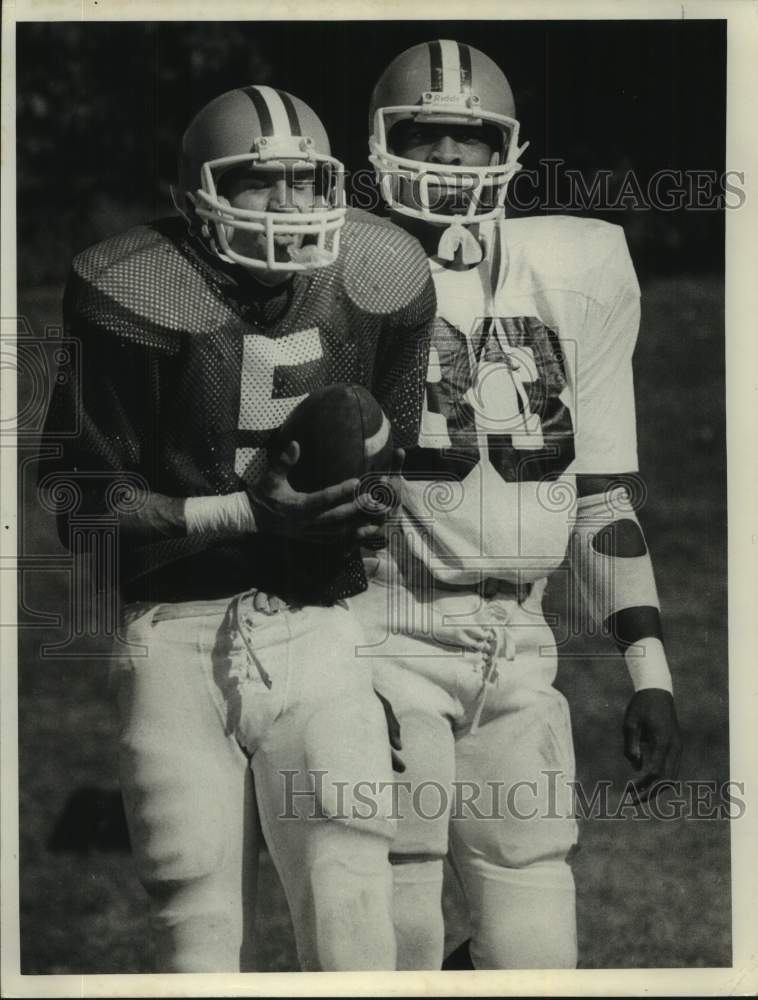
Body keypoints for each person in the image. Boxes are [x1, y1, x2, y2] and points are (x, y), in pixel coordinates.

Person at [41, 84, 435, 972]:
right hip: (176, 632)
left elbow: (386, 456)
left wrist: (368, 523)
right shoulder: (132, 286)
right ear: (192, 196)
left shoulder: (382, 273)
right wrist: (244, 512)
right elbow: (78, 504)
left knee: (352, 907)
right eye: (260, 184)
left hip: (319, 625)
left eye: (306, 183)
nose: (290, 209)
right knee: (199, 923)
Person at [350, 39, 683, 970]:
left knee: (536, 950)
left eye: (469, 137)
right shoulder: (330, 276)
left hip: (518, 648)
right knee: (394, 923)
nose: (450, 158)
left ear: (509, 149)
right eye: (427, 133)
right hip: (383, 636)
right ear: (382, 143)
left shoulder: (577, 266)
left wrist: (648, 666)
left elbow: (600, 495)